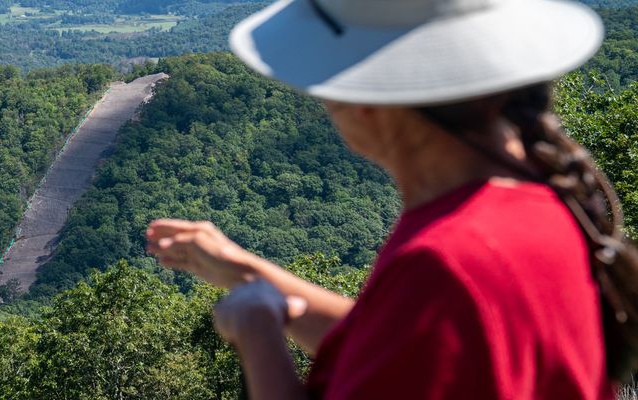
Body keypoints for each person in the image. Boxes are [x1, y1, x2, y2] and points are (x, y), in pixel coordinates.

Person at [145, 0, 638, 398]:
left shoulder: (443, 261)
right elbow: (399, 347)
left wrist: (257, 334)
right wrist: (242, 271)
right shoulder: (547, 205)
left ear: (367, 106)